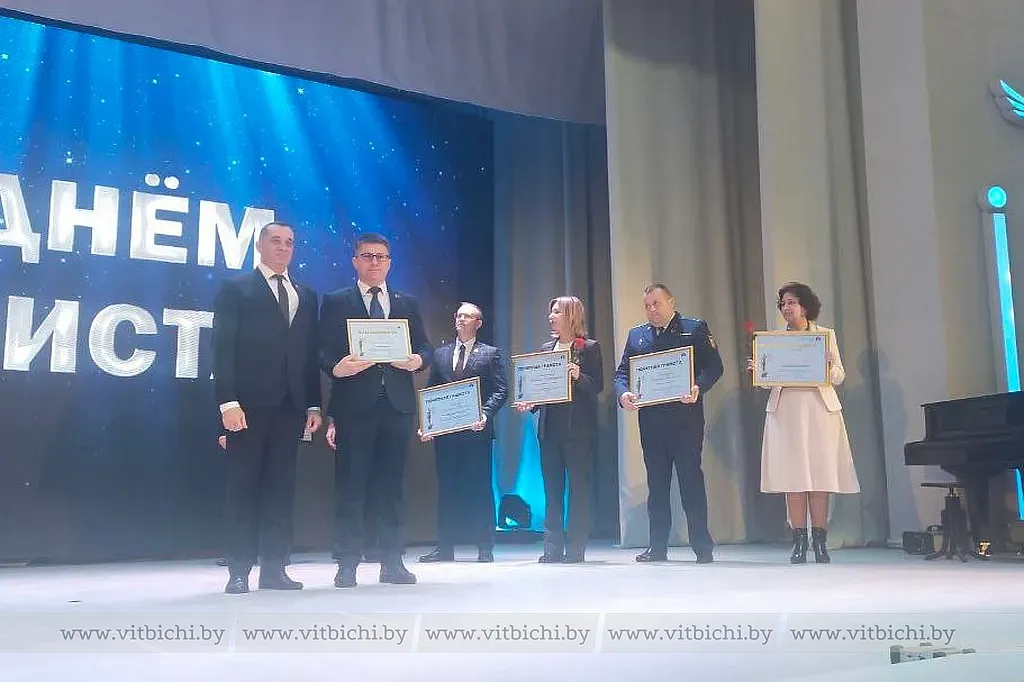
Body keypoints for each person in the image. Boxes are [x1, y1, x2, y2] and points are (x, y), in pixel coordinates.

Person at [212, 222, 323, 594]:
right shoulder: (236, 288)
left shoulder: (305, 294)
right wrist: (228, 402)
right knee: (243, 489)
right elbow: (222, 348)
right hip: (247, 407)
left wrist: (313, 404)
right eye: (276, 241)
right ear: (259, 245)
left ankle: (275, 568)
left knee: (281, 490)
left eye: (289, 242)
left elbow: (308, 354)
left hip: (290, 408)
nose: (283, 247)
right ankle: (239, 570)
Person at [319, 233, 433, 587]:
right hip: (354, 406)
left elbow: (426, 347)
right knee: (351, 487)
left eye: (381, 257)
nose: (374, 262)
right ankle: (347, 563)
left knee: (392, 488)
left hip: (397, 406)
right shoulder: (337, 301)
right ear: (355, 261)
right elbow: (321, 350)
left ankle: (392, 561)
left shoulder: (406, 302)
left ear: (389, 263)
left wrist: (417, 361)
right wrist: (336, 368)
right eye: (367, 256)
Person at [747, 282, 860, 563]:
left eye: (792, 302)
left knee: (819, 477)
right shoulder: (773, 341)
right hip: (786, 412)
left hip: (819, 411)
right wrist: (759, 371)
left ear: (805, 306)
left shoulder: (824, 335)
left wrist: (828, 364)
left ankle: (820, 542)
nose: (786, 308)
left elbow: (839, 376)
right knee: (793, 477)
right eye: (783, 303)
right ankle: (799, 542)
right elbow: (767, 382)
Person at [614, 283, 722, 564]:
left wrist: (698, 386)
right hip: (652, 423)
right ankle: (657, 546)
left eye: (657, 303)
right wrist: (623, 394)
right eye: (647, 305)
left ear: (671, 302)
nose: (652, 310)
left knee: (690, 483)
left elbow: (714, 366)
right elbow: (622, 373)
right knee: (657, 486)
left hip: (685, 421)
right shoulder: (637, 335)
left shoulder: (693, 329)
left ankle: (702, 546)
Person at [514, 296, 603, 563]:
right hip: (549, 429)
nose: (551, 317)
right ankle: (552, 548)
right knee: (552, 490)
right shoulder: (547, 348)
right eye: (551, 312)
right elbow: (542, 388)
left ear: (571, 315)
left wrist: (579, 376)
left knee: (578, 490)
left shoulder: (588, 348)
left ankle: (576, 548)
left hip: (578, 430)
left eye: (556, 312)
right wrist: (530, 402)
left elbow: (597, 386)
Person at [418, 302, 509, 563]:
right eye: (458, 315)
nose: (460, 319)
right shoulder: (441, 354)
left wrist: (485, 414)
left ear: (478, 323)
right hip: (446, 436)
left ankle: (484, 546)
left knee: (479, 488)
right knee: (447, 489)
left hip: (476, 433)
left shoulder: (490, 354)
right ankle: (445, 547)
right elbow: (431, 391)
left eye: (466, 316)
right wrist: (428, 423)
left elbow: (501, 390)